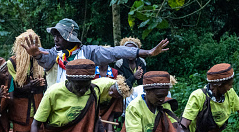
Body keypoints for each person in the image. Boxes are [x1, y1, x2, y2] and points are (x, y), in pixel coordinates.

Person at [21, 18, 168, 88]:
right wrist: (37, 55)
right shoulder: (53, 54)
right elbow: (44, 59)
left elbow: (116, 52)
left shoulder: (88, 52)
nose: (55, 39)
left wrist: (147, 52)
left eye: (59, 35)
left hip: (82, 102)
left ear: (69, 37)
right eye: (54, 35)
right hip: (55, 103)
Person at [8, 30, 46, 132]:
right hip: (21, 107)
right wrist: (29, 86)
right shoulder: (11, 63)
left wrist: (39, 85)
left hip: (37, 105)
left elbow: (45, 83)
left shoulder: (41, 60)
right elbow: (13, 86)